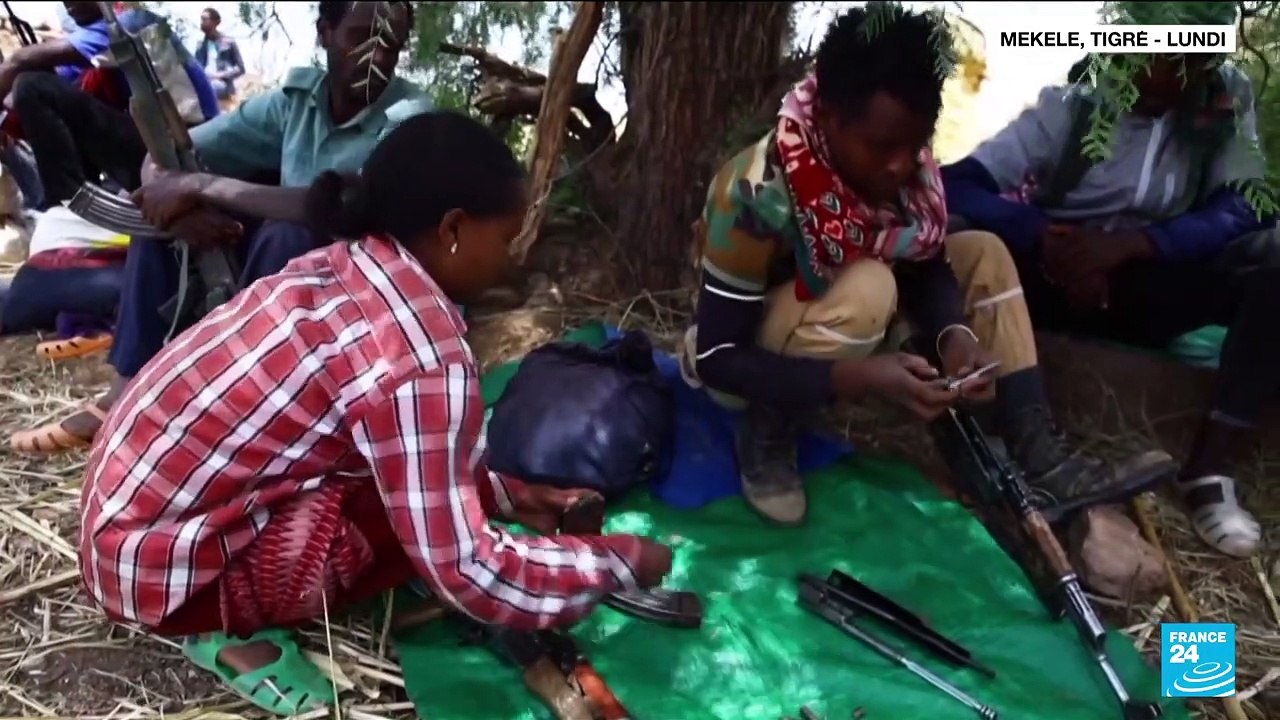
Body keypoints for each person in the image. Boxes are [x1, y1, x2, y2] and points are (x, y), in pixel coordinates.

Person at [79, 110, 674, 716]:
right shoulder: (421, 354)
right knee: (398, 544)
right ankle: (219, 633)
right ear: (452, 230)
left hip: (119, 521)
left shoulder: (348, 265)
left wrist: (508, 496)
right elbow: (466, 568)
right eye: (507, 237)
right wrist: (615, 562)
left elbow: (402, 452)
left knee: (397, 495)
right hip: (159, 573)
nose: (514, 257)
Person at [678, 5, 1176, 528]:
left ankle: (1037, 451)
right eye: (882, 146)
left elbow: (926, 260)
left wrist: (954, 337)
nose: (902, 164)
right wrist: (861, 377)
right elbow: (718, 357)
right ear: (827, 118)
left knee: (983, 250)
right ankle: (768, 430)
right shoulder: (756, 193)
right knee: (868, 287)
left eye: (916, 144)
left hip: (851, 316)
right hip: (750, 355)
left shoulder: (906, 170)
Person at [10, 1, 432, 454]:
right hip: (284, 295)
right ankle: (127, 391)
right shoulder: (297, 102)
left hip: (360, 308)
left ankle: (238, 403)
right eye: (361, 37)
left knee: (285, 235)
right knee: (170, 222)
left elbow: (338, 207)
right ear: (324, 33)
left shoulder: (408, 115)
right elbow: (165, 159)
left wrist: (203, 185)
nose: (377, 57)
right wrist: (179, 205)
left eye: (391, 44)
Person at [942, 4, 1278, 559]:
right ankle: (989, 430)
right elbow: (959, 184)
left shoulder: (1222, 99)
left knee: (1274, 262)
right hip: (1055, 279)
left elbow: (1245, 205)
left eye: (1200, 55)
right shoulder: (1072, 107)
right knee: (959, 238)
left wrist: (1139, 246)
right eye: (1172, 54)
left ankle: (1208, 473)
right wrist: (1045, 236)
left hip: (1152, 283)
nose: (1189, 68)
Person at [0, 2, 220, 210]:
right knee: (38, 89)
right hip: (158, 151)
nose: (68, 3)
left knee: (31, 85)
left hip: (190, 148)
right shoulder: (93, 54)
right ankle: (80, 205)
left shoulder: (130, 22)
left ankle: (65, 205)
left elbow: (20, 61)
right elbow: (49, 92)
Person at [193, 8, 245, 101]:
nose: (201, 23)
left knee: (211, 88)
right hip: (204, 81)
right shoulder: (200, 46)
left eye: (205, 19)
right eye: (201, 19)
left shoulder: (229, 42)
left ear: (215, 22)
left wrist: (220, 75)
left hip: (221, 83)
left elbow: (240, 68)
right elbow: (196, 68)